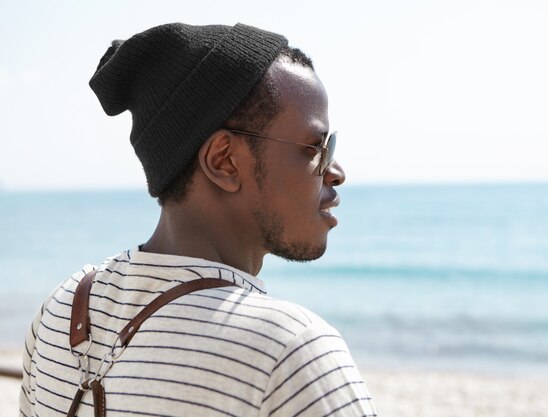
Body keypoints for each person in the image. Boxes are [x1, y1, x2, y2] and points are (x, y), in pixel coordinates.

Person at [19, 22, 377, 417]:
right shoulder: (292, 351)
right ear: (223, 161)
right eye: (315, 147)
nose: (336, 170)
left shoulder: (61, 308)